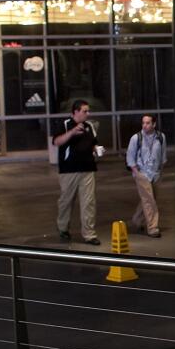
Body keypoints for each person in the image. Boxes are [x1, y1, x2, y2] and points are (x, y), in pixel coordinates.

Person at [52, 99, 102, 245]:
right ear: (75, 112)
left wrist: (97, 149)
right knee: (66, 201)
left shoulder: (90, 126)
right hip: (69, 170)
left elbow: (93, 143)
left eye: (88, 111)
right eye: (85, 111)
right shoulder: (65, 124)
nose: (88, 113)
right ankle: (63, 228)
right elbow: (56, 142)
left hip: (88, 168)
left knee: (89, 202)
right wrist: (73, 132)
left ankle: (89, 234)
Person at [126, 113, 167, 238]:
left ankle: (137, 220)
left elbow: (162, 155)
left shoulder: (161, 137)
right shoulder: (136, 138)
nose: (145, 125)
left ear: (154, 124)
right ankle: (152, 227)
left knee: (149, 198)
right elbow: (130, 156)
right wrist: (136, 172)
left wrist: (160, 171)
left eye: (148, 123)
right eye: (143, 123)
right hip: (141, 173)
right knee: (149, 201)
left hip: (155, 173)